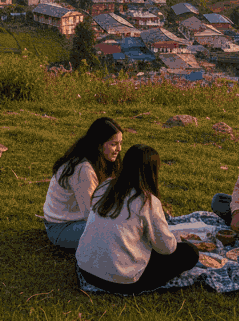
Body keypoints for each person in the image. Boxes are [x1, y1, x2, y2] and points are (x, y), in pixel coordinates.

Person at [76, 144, 199, 295]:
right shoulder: (147, 201)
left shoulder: (105, 186)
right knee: (189, 252)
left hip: (86, 269)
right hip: (122, 281)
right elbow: (166, 248)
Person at [43, 117, 123, 250]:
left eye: (120, 143)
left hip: (78, 221)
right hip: (62, 228)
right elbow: (90, 215)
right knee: (118, 233)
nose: (119, 149)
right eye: (114, 144)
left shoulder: (102, 162)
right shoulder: (83, 169)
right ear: (99, 144)